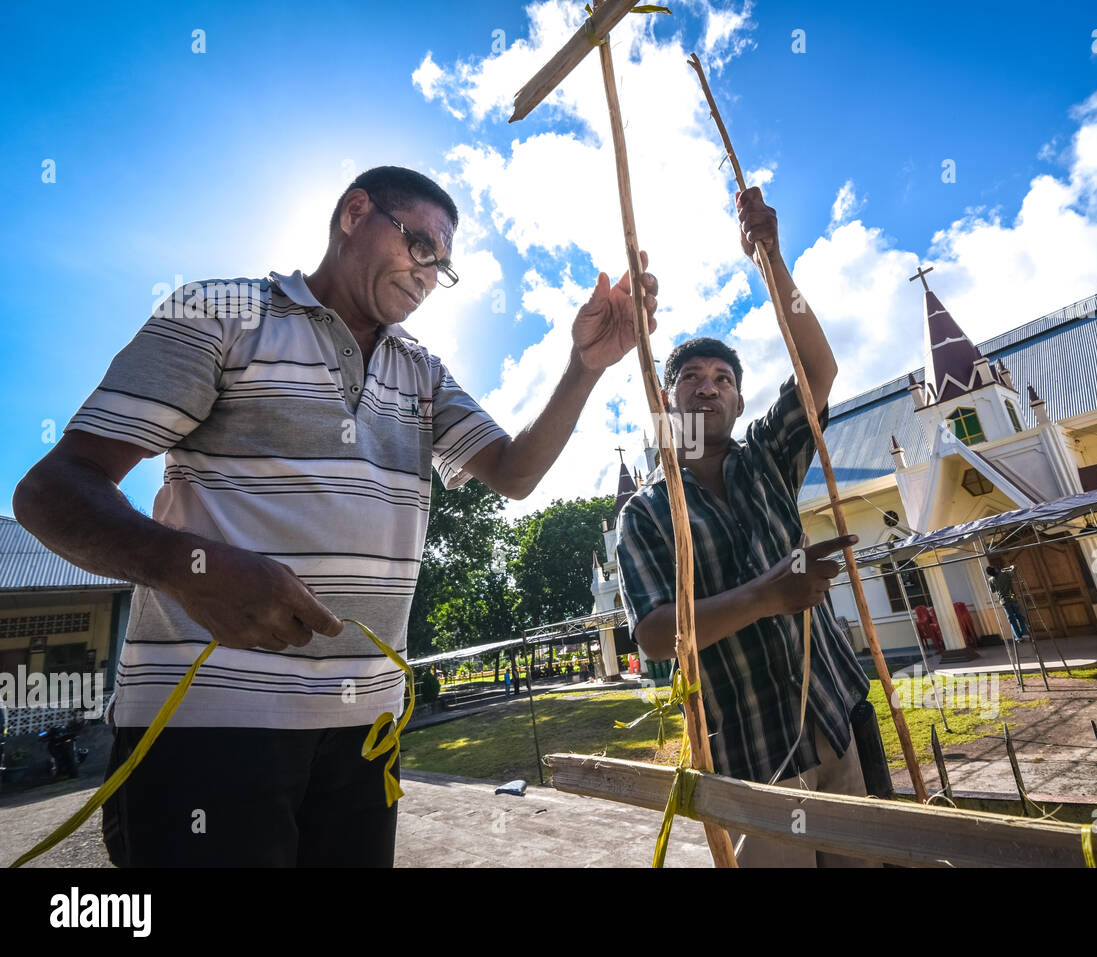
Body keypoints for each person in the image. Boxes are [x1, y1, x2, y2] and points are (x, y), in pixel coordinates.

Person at [13, 166, 658, 867]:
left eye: (442, 266)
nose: (426, 275)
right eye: (420, 246)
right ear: (355, 212)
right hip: (208, 730)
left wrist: (585, 365)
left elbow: (516, 471)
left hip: (363, 735)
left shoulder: (425, 372)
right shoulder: (222, 312)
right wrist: (187, 568)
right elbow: (51, 491)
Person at [616, 186, 872, 868]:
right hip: (755, 751)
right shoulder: (644, 513)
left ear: (736, 397)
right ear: (667, 399)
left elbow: (818, 368)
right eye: (692, 377)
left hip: (838, 711)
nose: (709, 386)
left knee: (868, 860)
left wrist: (772, 260)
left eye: (724, 377)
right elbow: (655, 635)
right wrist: (768, 594)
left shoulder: (767, 459)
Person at [987, 560, 1030, 643]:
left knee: (1012, 620)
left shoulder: (991, 580)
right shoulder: (1005, 574)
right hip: (1012, 597)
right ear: (995, 570)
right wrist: (1011, 567)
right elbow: (1013, 570)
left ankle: (1018, 637)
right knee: (1020, 617)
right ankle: (1025, 634)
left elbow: (993, 590)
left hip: (1004, 601)